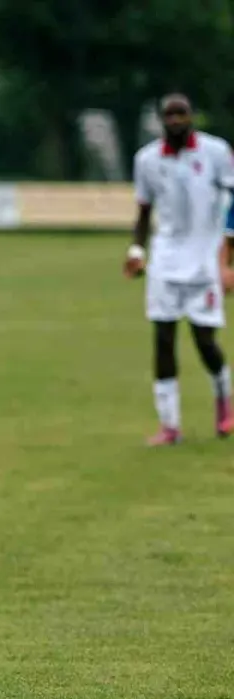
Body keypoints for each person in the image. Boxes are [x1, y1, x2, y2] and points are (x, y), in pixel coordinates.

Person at [126, 93, 234, 445]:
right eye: (169, 115)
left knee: (205, 342)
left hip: (204, 260)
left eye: (181, 114)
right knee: (162, 339)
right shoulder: (146, 159)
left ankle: (223, 397)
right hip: (166, 260)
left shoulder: (216, 152)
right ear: (161, 120)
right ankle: (169, 426)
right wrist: (136, 249)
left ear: (191, 117)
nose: (175, 120)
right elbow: (143, 212)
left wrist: (228, 261)